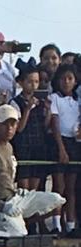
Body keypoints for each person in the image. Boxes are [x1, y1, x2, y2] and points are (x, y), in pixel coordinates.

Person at [0, 104, 65, 236]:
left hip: (14, 198)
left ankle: (21, 220)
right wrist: (0, 205)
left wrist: (16, 190)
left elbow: (6, 179)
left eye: (13, 124)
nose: (9, 128)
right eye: (5, 124)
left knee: (57, 200)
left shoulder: (9, 147)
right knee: (19, 232)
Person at [49, 64, 80, 236]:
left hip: (74, 142)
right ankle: (56, 223)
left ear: (75, 81)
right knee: (58, 186)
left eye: (70, 78)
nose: (66, 82)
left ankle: (70, 224)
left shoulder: (77, 101)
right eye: (63, 78)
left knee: (71, 187)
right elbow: (55, 123)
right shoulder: (55, 98)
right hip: (59, 141)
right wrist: (61, 148)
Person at [10, 65, 49, 193]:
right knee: (23, 188)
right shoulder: (15, 102)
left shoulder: (40, 102)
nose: (33, 85)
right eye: (30, 81)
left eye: (36, 82)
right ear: (21, 82)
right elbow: (19, 128)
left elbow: (45, 126)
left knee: (34, 189)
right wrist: (27, 108)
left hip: (38, 146)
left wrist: (48, 111)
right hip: (23, 147)